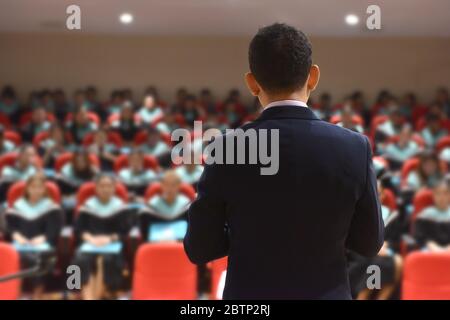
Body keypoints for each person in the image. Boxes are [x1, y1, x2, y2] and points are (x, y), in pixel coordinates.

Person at [184, 23, 383, 299]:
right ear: (313, 77)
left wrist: (247, 237)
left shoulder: (226, 148)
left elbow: (200, 248)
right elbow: (369, 242)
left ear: (252, 83)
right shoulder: (355, 148)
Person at [72, 175, 133, 300]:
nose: (105, 189)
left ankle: (98, 295)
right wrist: (90, 238)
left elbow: (125, 232)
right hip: (90, 245)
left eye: (109, 186)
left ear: (114, 188)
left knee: (106, 260)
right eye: (102, 186)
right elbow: (78, 230)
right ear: (96, 188)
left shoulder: (120, 207)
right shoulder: (87, 207)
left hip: (112, 246)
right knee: (80, 258)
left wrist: (109, 239)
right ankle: (86, 295)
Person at [5, 174, 63, 299]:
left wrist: (44, 238)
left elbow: (55, 230)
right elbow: (10, 228)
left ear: (44, 189)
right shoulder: (17, 206)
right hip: (21, 245)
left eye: (40, 187)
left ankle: (37, 294)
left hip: (43, 246)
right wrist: (16, 235)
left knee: (38, 258)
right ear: (27, 189)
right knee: (17, 256)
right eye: (33, 187)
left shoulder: (52, 207)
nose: (36, 190)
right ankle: (15, 293)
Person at [139, 170, 191, 242]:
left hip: (181, 243)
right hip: (156, 242)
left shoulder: (186, 203)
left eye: (173, 185)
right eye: (166, 184)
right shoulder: (153, 204)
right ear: (162, 185)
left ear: (179, 185)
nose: (169, 188)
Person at [414, 181, 450, 251]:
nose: (441, 197)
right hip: (430, 249)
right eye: (438, 194)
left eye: (445, 193)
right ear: (433, 195)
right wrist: (431, 246)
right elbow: (421, 237)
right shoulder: (425, 215)